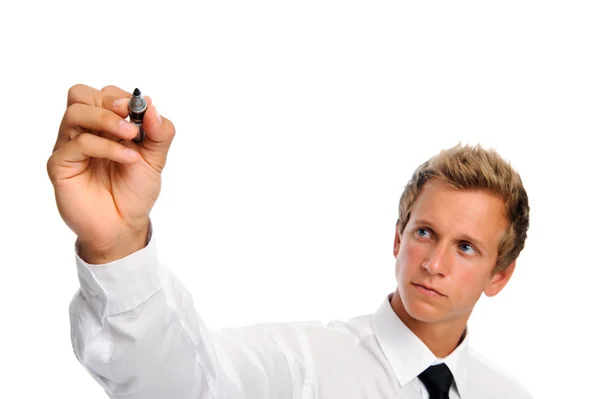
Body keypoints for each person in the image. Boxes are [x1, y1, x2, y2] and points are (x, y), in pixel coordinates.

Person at [47, 84, 533, 399]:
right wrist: (118, 247)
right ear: (397, 239)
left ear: (500, 275)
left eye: (466, 247)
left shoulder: (509, 394)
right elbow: (183, 385)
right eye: (425, 233)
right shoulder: (303, 364)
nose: (434, 262)